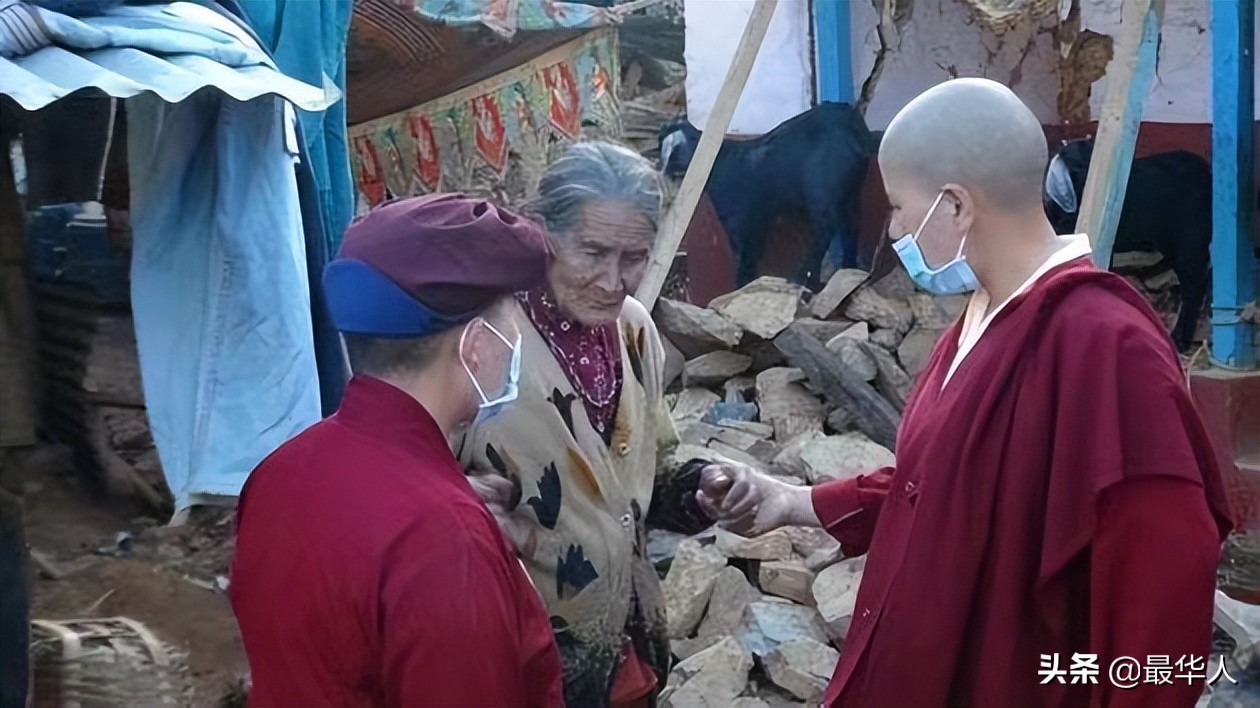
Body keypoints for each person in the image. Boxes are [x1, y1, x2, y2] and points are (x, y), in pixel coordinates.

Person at [697, 78, 1232, 707]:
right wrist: (797, 503)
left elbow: (1161, 596)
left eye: (898, 206)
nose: (893, 228)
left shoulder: (1105, 344)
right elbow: (944, 485)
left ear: (955, 205)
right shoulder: (981, 319)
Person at [230, 194, 564, 707]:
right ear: (477, 344)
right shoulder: (444, 532)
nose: (518, 344)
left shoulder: (278, 472)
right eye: (514, 326)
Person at [460, 141, 682, 707]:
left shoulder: (633, 331)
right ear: (542, 234)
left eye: (634, 257)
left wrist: (703, 486)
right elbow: (413, 486)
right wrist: (459, 501)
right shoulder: (483, 345)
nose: (614, 281)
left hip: (624, 637)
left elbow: (647, 468)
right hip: (521, 651)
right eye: (593, 252)